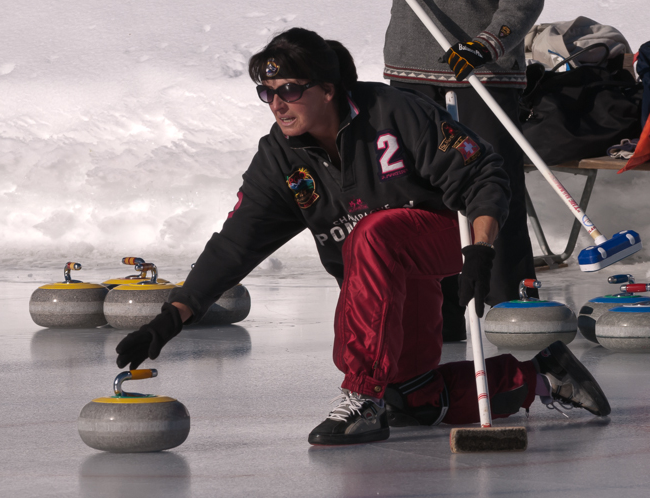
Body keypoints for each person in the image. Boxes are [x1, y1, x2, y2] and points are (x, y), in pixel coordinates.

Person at [115, 28, 610, 446]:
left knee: (374, 234)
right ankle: (542, 377)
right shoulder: (281, 158)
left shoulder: (394, 111)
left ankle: (362, 395)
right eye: (267, 93)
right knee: (412, 398)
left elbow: (483, 174)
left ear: (327, 88)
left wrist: (480, 248)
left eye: (288, 89)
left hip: (442, 236)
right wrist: (170, 319)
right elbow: (234, 244)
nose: (277, 104)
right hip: (381, 276)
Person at [383, 0, 544, 341]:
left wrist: (488, 43)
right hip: (411, 69)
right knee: (420, 194)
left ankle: (509, 308)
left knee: (495, 188)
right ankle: (436, 313)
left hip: (485, 70)